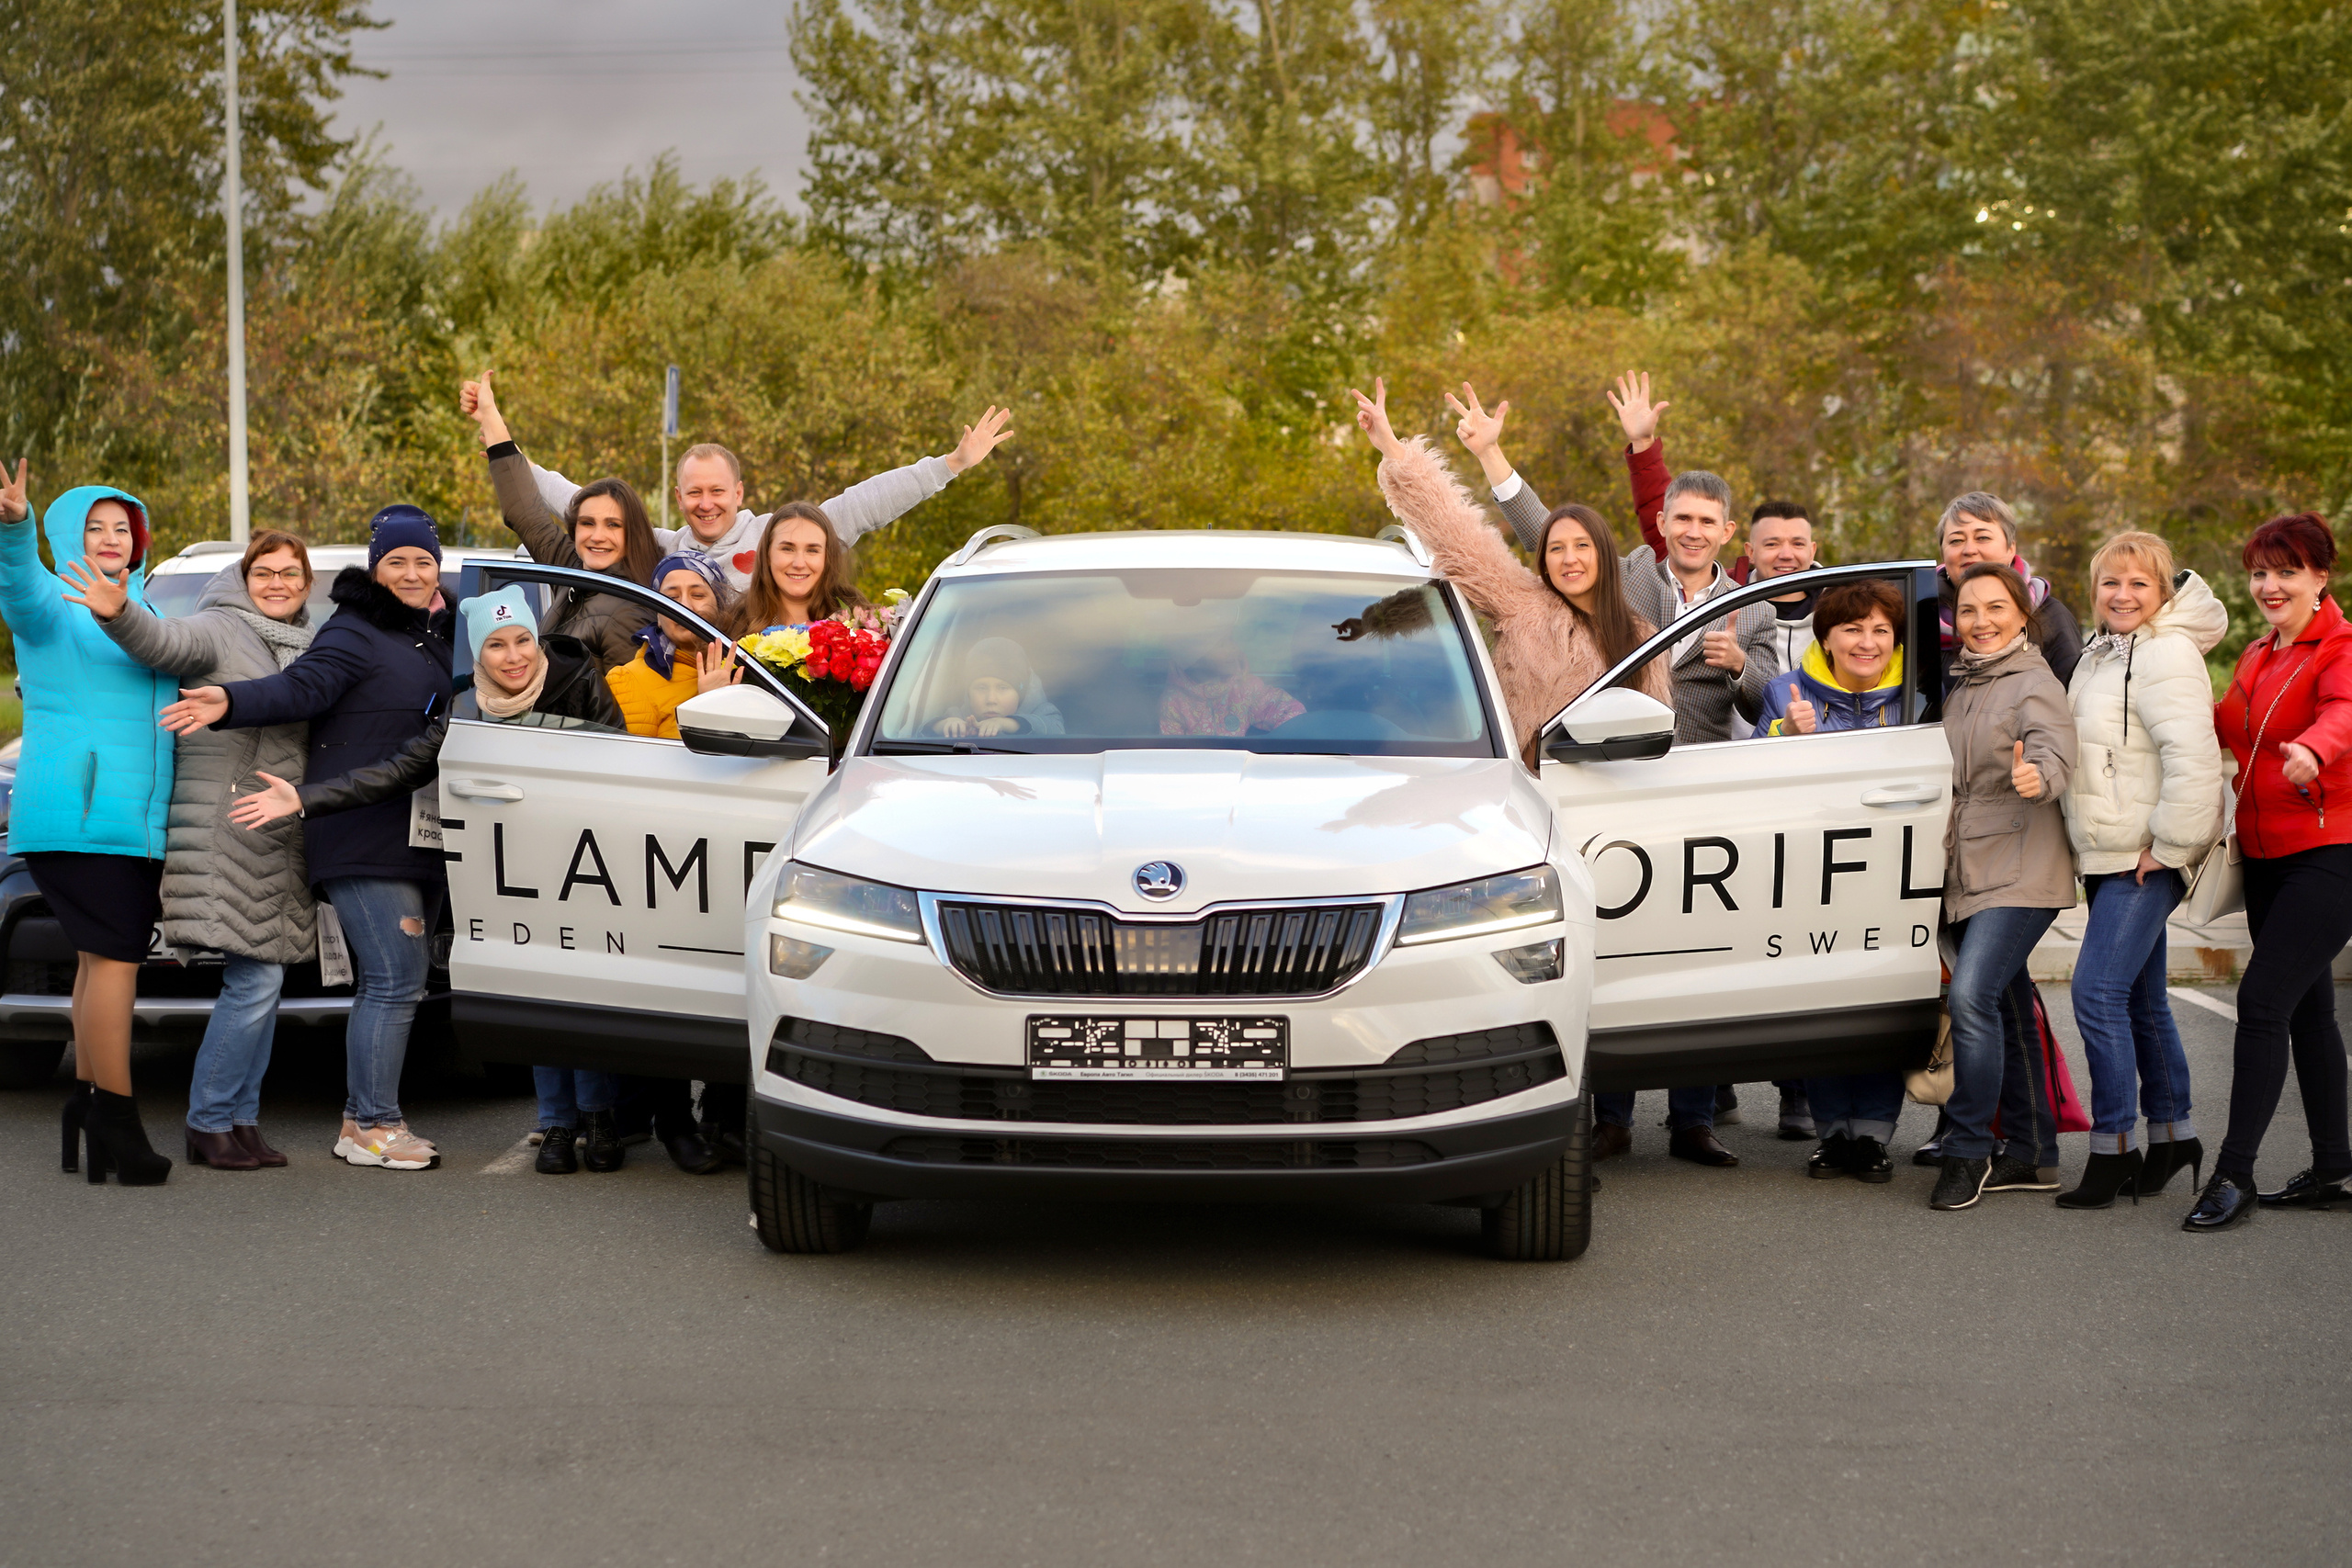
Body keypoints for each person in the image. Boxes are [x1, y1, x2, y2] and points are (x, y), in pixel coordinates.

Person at [1347, 380, 1730, 1166]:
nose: (1568, 558)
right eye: (1555, 548)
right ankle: (1604, 1118)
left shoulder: (1639, 631)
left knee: (1658, 956)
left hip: (1625, 811)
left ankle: (1693, 1119)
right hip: (1531, 811)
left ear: (1602, 558)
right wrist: (1396, 454)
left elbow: (1656, 731)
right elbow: (1458, 537)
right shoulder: (1517, 604)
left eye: (1581, 547)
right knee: (1566, 968)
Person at [230, 587, 629, 1175]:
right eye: (496, 645)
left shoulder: (579, 678)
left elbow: (621, 761)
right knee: (535, 990)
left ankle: (599, 1118)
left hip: (583, 857)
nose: (513, 656)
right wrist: (306, 799)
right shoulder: (464, 708)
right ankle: (555, 1123)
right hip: (507, 867)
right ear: (477, 655)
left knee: (584, 985)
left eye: (523, 640)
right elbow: (397, 770)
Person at [161, 507, 455, 1173]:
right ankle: (370, 1123)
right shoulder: (355, 630)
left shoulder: (435, 634)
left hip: (414, 832)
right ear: (375, 569)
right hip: (355, 828)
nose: (411, 572)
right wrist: (229, 702)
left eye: (423, 561)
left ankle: (356, 1116)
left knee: (399, 982)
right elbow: (301, 687)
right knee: (391, 978)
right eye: (396, 561)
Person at [74, 530, 321, 1171]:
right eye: (264, 571)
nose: (276, 582)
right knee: (256, 975)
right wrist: (118, 611)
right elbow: (165, 641)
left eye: (289, 572)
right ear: (245, 578)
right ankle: (208, 1121)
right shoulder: (219, 627)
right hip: (223, 825)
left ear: (306, 582)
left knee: (267, 975)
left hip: (276, 832)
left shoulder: (307, 643)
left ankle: (242, 1122)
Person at [0, 463, 176, 1184]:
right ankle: (118, 1119)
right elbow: (21, 587)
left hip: (124, 820)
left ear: (136, 541)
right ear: (72, 537)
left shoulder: (143, 608)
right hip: (81, 815)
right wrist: (15, 526)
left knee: (97, 961)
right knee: (117, 960)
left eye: (121, 528)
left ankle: (86, 1102)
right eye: (95, 527)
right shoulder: (55, 601)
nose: (110, 539)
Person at [1447, 378, 1780, 744]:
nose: (1694, 532)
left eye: (1707, 522)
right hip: (1616, 762)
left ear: (1727, 531)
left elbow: (1768, 703)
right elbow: (1548, 533)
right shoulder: (1628, 576)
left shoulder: (1754, 609)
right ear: (1662, 523)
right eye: (1683, 519)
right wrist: (1489, 452)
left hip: (1698, 771)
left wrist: (1739, 666)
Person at [469, 373, 1018, 594]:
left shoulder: (777, 541)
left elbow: (861, 505)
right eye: (695, 494)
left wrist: (948, 465)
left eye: (717, 492)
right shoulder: (658, 548)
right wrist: (500, 442)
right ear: (679, 499)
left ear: (739, 494)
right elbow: (570, 496)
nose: (706, 505)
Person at [2186, 513, 2352, 1231]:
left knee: (2260, 1004)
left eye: (2287, 571)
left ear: (2321, 575)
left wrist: (2315, 748)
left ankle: (2235, 1173)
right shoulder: (2257, 653)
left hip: (2331, 850)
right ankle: (2334, 1166)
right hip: (2264, 858)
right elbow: (2221, 727)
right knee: (2309, 1013)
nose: (2270, 585)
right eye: (2260, 572)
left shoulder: (2340, 645)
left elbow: (2346, 710)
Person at [2056, 532, 2226, 1209]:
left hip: (2143, 856)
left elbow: (2193, 756)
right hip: (2108, 852)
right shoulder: (2100, 654)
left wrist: (2169, 844)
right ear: (2094, 591)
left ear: (2161, 594)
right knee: (2142, 1000)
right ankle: (2175, 1133)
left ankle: (2114, 1149)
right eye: (2110, 583)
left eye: (2138, 585)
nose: (2122, 596)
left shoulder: (2167, 653)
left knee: (2095, 992)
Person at [1743, 579, 1916, 1181]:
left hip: (1894, 874)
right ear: (1827, 636)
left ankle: (1871, 1135)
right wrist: (1786, 736)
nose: (1866, 642)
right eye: (1852, 629)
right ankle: (1832, 1132)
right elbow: (1747, 779)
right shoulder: (1785, 690)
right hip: (1812, 875)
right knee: (1822, 1004)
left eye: (1880, 630)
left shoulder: (1919, 695)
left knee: (1880, 1008)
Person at [1930, 562, 2079, 1212]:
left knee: (1970, 996)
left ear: (2023, 614)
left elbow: (2055, 751)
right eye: (1969, 610)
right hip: (1969, 868)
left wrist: (2038, 777)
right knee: (2009, 1005)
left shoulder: (2032, 680)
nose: (1982, 621)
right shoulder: (1962, 681)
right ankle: (2033, 1150)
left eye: (1996, 608)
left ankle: (1967, 1150)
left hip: (2022, 867)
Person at [462, 374, 662, 670]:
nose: (597, 536)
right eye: (587, 523)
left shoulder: (629, 612)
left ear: (634, 534)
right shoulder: (576, 572)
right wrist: (490, 417)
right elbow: (526, 514)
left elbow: (625, 710)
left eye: (613, 525)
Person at [1935, 492, 2085, 689]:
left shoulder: (2050, 616)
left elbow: (2072, 700)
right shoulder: (1918, 618)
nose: (1969, 549)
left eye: (1982, 537)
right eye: (1956, 541)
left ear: (2010, 548)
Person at [1160, 638, 1302, 736]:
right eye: (1222, 644)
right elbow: (1173, 758)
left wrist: (1276, 751)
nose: (1234, 648)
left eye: (1232, 640)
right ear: (1195, 657)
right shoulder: (1174, 703)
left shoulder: (1245, 688)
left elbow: (1292, 713)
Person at [933, 637, 1064, 738]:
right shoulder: (961, 716)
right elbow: (922, 733)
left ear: (1021, 692)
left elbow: (1054, 730)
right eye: (981, 688)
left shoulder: (1044, 712)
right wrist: (944, 725)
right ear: (968, 692)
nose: (991, 699)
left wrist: (1005, 724)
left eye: (1003, 688)